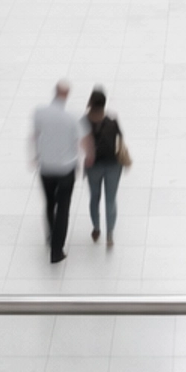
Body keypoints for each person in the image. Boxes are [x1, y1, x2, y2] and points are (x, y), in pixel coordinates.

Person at [32, 81, 80, 263]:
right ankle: (56, 251)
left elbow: (35, 135)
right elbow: (78, 141)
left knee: (50, 202)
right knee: (63, 208)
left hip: (46, 167)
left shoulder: (40, 112)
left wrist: (36, 155)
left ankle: (50, 236)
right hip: (66, 168)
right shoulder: (71, 117)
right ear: (67, 95)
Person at [83, 88, 131, 248]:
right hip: (113, 166)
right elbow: (120, 140)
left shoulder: (84, 122)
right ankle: (110, 234)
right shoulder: (112, 120)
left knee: (94, 198)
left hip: (93, 166)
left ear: (90, 102)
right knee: (111, 199)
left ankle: (96, 228)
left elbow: (80, 144)